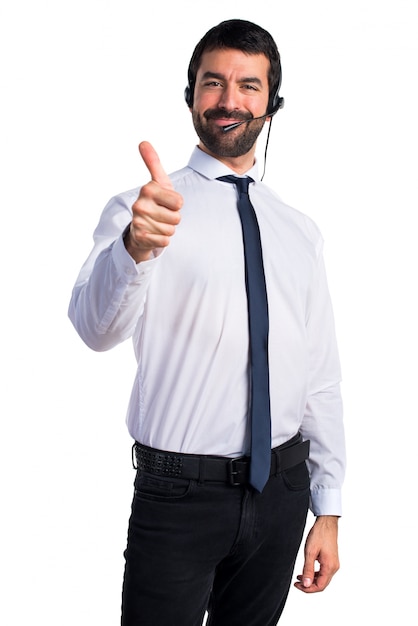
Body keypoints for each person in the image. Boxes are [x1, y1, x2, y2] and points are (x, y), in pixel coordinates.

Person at [68, 18, 346, 626]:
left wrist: (327, 506)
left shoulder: (298, 230)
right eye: (213, 83)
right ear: (191, 95)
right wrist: (134, 249)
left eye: (248, 86)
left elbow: (320, 374)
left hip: (283, 492)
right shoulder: (143, 210)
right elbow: (93, 328)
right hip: (178, 496)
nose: (228, 100)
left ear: (271, 104)